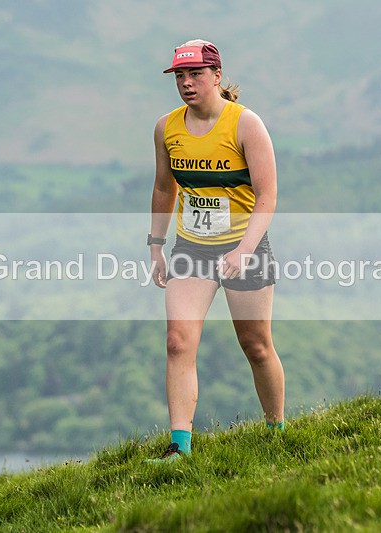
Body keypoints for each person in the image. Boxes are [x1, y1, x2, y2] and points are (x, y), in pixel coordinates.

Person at [146, 39, 285, 462]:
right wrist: (155, 245)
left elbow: (267, 194)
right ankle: (179, 448)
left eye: (196, 75)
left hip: (246, 245)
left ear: (217, 75)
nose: (187, 84)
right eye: (180, 77)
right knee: (177, 342)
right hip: (193, 248)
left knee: (256, 345)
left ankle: (277, 432)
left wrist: (244, 250)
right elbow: (164, 187)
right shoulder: (166, 128)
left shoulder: (245, 125)